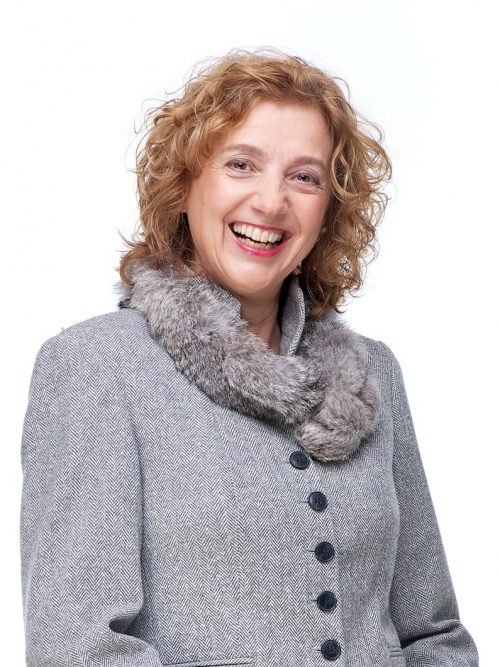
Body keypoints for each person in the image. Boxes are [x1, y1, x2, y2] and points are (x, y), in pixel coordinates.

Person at [19, 48, 479, 666]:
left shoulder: (375, 374)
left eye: (305, 177)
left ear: (328, 212)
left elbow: (436, 636)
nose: (271, 201)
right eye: (241, 165)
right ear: (185, 186)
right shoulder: (95, 368)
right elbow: (78, 651)